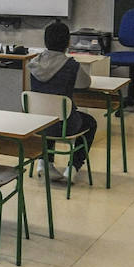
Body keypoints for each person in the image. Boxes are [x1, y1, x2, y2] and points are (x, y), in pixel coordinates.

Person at [27, 20, 97, 181]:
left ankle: (44, 162)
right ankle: (72, 168)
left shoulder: (33, 63)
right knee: (90, 123)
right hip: (65, 125)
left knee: (49, 116)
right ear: (68, 42)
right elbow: (85, 83)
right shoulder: (71, 65)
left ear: (45, 41)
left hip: (37, 125)